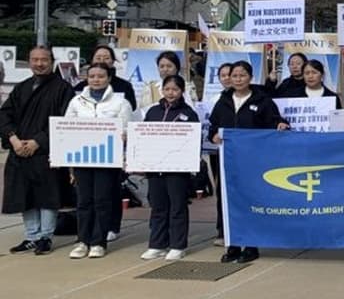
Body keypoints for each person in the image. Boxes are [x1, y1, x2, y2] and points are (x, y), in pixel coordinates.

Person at [209, 60, 289, 264]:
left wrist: (280, 124)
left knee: (251, 200)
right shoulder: (223, 100)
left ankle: (251, 246)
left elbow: (274, 120)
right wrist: (213, 137)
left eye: (242, 75)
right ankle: (233, 244)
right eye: (234, 76)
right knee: (228, 201)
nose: (237, 79)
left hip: (253, 160)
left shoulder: (262, 100)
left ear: (250, 78)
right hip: (228, 159)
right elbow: (214, 126)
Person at [1, 46, 74, 256]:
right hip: (19, 150)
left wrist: (37, 142)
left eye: (44, 60)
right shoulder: (21, 88)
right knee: (25, 195)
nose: (39, 64)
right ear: (29, 61)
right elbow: (4, 116)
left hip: (45, 151)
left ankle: (45, 237)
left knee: (47, 196)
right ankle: (31, 236)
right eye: (35, 60)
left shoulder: (62, 88)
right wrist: (13, 139)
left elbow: (63, 120)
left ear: (51, 61)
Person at [63, 62, 132, 258]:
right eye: (92, 76)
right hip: (82, 158)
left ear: (109, 78)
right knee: (84, 200)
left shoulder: (120, 103)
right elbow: (67, 128)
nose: (96, 80)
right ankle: (82, 240)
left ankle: (98, 241)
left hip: (107, 159)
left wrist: (122, 137)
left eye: (100, 76)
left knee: (102, 200)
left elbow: (126, 130)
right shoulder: (76, 102)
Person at [139, 75, 200, 261]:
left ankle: (177, 245)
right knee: (158, 206)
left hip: (177, 169)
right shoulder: (152, 112)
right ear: (162, 90)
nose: (171, 93)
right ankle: (157, 244)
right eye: (167, 89)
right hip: (155, 167)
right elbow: (143, 137)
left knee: (177, 206)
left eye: (175, 89)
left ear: (182, 91)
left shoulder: (189, 114)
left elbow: (193, 141)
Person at [207, 62, 233, 246]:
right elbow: (212, 125)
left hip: (244, 153)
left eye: (230, 74)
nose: (227, 78)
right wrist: (213, 135)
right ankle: (222, 230)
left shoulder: (255, 98)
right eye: (222, 75)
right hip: (220, 152)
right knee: (221, 191)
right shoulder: (217, 99)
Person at [73, 46, 137, 110]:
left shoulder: (125, 86)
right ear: (92, 61)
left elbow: (132, 107)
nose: (102, 61)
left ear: (113, 61)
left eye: (106, 58)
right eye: (98, 58)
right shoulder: (80, 87)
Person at [277, 58, 341, 105]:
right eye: (307, 73)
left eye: (314, 73)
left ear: (322, 74)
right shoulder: (292, 96)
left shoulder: (332, 97)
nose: (310, 76)